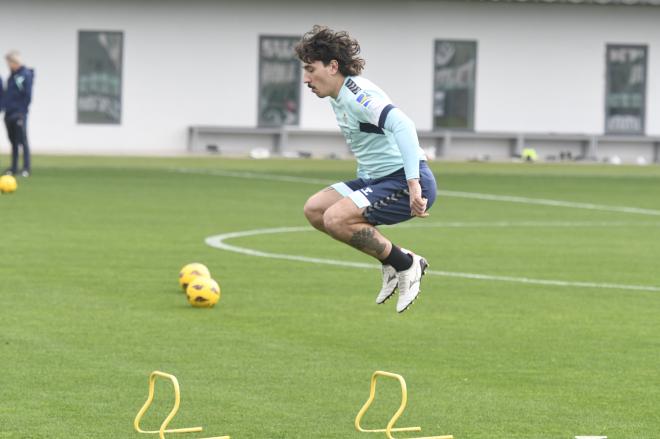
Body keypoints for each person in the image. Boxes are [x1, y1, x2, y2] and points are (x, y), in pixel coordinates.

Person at [295, 26, 438, 313]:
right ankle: (392, 260)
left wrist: (413, 185)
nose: (306, 79)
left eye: (311, 69)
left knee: (336, 219)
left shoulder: (358, 95)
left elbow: (403, 125)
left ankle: (406, 265)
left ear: (333, 66)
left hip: (403, 181)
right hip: (376, 179)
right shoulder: (339, 96)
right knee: (315, 210)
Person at [3, 50, 34, 177]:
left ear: (14, 62)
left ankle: (26, 168)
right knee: (13, 142)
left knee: (23, 140)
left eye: (9, 62)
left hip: (19, 114)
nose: (8, 65)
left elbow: (27, 95)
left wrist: (22, 111)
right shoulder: (12, 76)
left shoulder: (24, 75)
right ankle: (14, 168)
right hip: (9, 113)